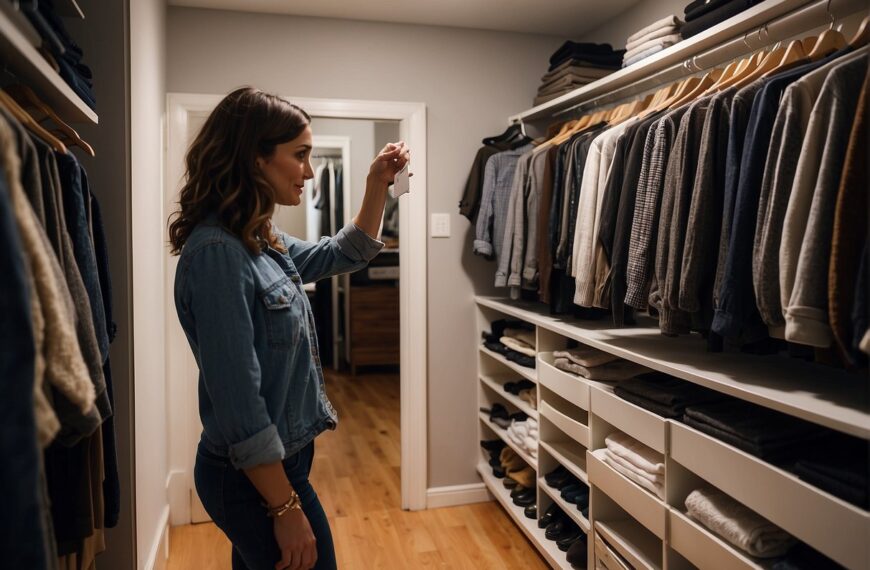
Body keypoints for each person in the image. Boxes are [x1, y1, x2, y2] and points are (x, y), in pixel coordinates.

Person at [168, 86, 409, 570]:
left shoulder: (257, 239)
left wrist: (377, 182)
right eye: (299, 155)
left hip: (280, 463)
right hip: (250, 478)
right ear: (255, 158)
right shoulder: (220, 254)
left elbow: (344, 252)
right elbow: (238, 403)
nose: (309, 171)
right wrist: (284, 507)